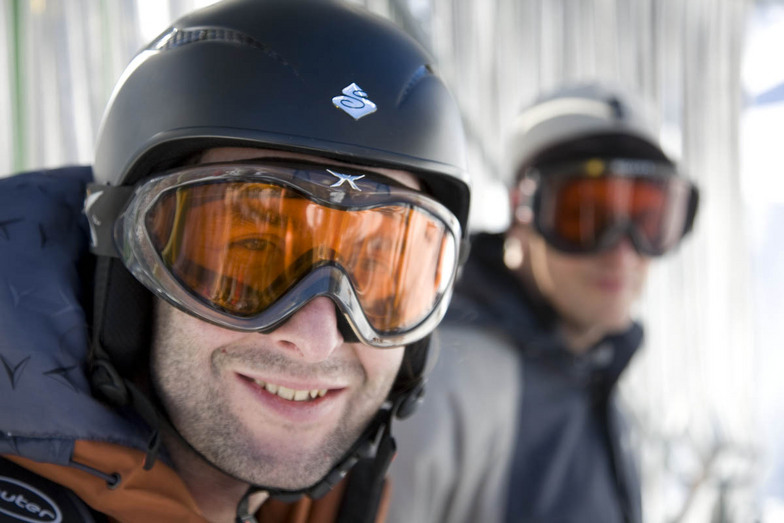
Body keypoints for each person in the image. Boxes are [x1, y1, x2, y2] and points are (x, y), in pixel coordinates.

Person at [0, 0, 472, 521]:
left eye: (378, 268)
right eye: (250, 254)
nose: (316, 341)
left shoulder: (341, 504)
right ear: (125, 271)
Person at [388, 83, 700, 523]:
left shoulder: (593, 373)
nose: (623, 253)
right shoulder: (445, 382)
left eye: (649, 219)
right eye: (585, 216)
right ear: (523, 212)